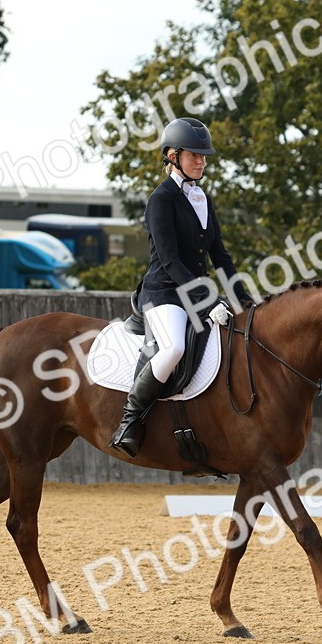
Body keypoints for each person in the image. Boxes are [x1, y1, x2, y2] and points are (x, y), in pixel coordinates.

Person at [108, 117, 254, 458]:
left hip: (194, 292)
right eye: (194, 155)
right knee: (172, 348)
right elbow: (171, 262)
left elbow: (220, 255)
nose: (201, 161)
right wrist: (208, 298)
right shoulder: (161, 200)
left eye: (204, 156)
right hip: (164, 293)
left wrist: (242, 299)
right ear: (172, 156)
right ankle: (130, 420)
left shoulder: (202, 198)